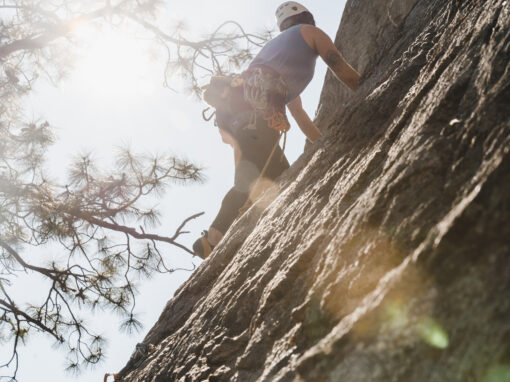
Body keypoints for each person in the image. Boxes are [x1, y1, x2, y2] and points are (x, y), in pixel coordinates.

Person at [193, 1, 360, 258]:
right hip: (257, 118)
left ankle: (244, 239)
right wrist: (364, 88)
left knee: (281, 180)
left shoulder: (275, 54)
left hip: (241, 118)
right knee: (251, 178)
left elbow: (299, 114)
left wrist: (325, 145)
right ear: (306, 17)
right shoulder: (310, 32)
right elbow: (337, 64)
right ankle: (212, 239)